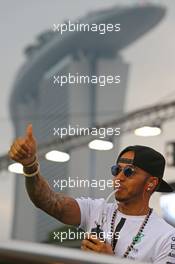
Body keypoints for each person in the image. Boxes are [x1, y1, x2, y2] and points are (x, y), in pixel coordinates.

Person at [8, 124, 175, 263]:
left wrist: (110, 261)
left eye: (129, 172)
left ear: (151, 183)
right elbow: (50, 202)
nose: (119, 177)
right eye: (116, 170)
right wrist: (30, 166)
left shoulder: (166, 236)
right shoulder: (96, 210)